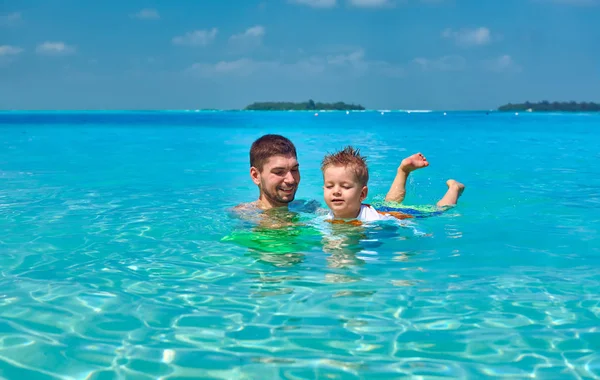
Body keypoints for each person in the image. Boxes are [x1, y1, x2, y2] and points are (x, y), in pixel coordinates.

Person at [321, 146, 465, 222]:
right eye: (329, 186)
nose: (336, 191)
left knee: (437, 211)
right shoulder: (326, 217)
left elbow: (405, 225)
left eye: (345, 186)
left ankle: (454, 188)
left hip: (394, 214)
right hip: (377, 208)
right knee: (390, 202)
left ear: (363, 194)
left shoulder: (375, 219)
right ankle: (403, 171)